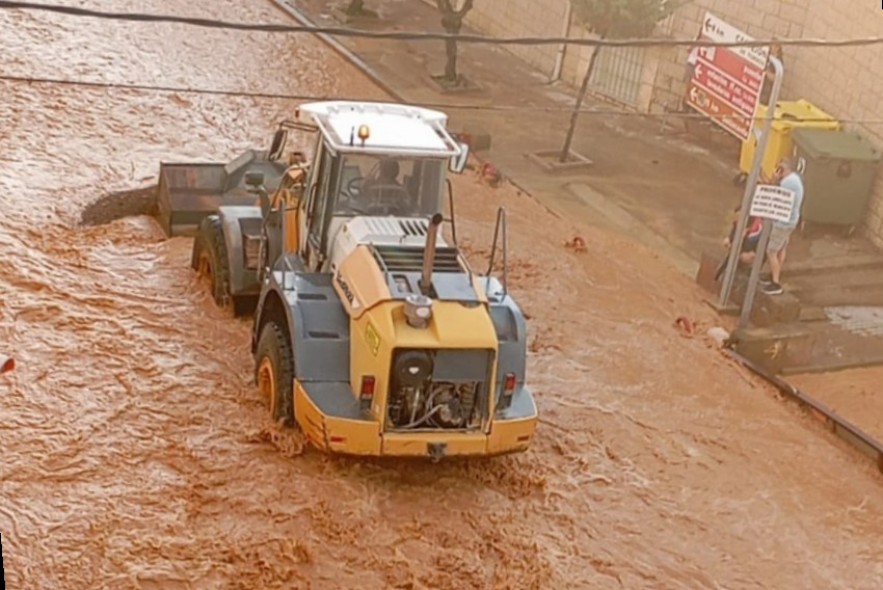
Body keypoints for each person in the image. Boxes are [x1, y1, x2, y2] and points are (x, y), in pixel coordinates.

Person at [761, 157, 804, 295]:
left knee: (771, 251)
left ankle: (776, 282)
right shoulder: (794, 179)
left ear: (782, 169)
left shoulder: (787, 183)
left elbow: (774, 196)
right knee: (781, 248)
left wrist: (774, 179)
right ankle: (776, 273)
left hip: (783, 222)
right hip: (791, 220)